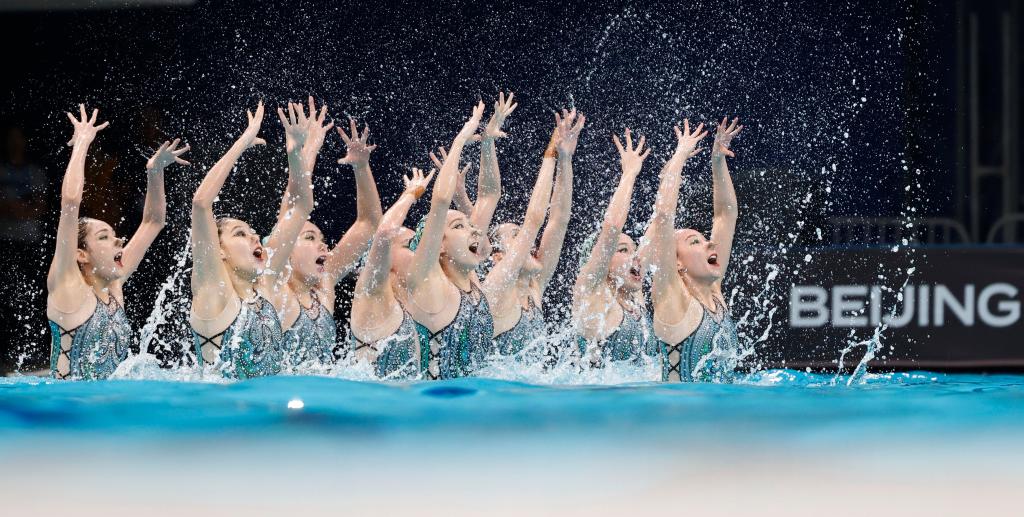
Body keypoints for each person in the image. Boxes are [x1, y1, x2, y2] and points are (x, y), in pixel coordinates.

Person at [47, 105, 187, 379]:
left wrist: (155, 171)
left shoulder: (114, 285)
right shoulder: (67, 285)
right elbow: (71, 202)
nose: (119, 241)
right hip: (67, 402)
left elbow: (153, 222)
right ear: (81, 254)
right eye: (104, 237)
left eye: (114, 235)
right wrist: (82, 143)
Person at [189, 100, 313, 379]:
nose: (255, 236)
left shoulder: (264, 285)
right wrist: (242, 143)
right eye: (239, 233)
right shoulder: (214, 289)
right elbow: (201, 203)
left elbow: (302, 206)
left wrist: (295, 153)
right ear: (219, 251)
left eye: (252, 231)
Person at [277, 100, 383, 370]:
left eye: (321, 239)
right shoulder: (273, 284)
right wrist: (306, 149)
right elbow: (295, 206)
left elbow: (369, 223)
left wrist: (362, 167)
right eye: (309, 238)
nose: (323, 245)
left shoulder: (324, 285)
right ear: (286, 246)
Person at [486, 109, 584, 358]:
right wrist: (550, 154)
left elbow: (559, 221)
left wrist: (565, 159)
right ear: (497, 257)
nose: (529, 242)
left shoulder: (534, 287)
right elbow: (534, 221)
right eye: (515, 236)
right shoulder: (495, 289)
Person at [650, 117, 742, 382]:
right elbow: (663, 217)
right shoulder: (671, 296)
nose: (710, 243)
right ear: (677, 263)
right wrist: (680, 155)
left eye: (704, 240)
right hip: (678, 408)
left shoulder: (714, 292)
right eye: (694, 242)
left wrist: (718, 161)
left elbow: (726, 215)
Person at [404, 101, 488, 379]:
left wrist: (488, 144)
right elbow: (440, 201)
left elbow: (489, 196)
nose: (474, 231)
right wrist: (461, 139)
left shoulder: (472, 280)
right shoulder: (427, 282)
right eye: (459, 226)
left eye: (470, 226)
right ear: (438, 244)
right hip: (433, 401)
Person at [572, 128, 658, 371]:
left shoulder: (634, 298)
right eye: (623, 250)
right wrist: (629, 173)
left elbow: (659, 223)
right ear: (601, 262)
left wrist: (675, 166)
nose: (635, 257)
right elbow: (611, 227)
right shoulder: (592, 291)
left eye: (634, 249)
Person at [349, 167, 434, 379]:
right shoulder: (372, 293)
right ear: (386, 256)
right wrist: (410, 194)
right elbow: (385, 232)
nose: (418, 252)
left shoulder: (416, 303)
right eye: (409, 245)